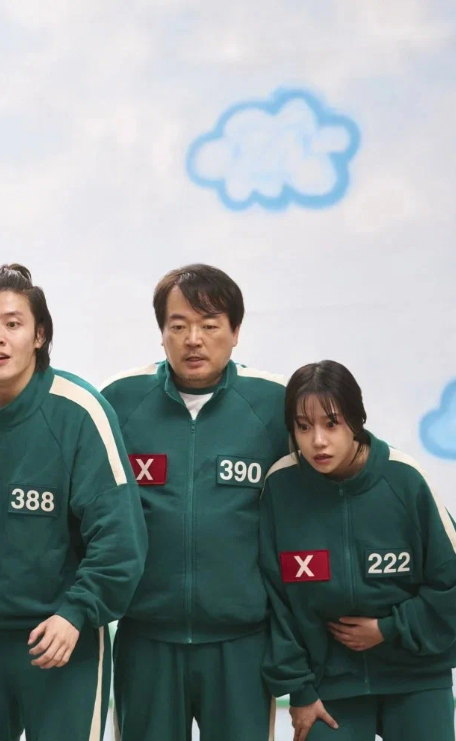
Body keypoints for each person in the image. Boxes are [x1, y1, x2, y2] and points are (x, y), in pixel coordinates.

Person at [0, 263, 145, 741]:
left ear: (39, 335)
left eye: (13, 323)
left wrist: (76, 612)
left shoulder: (79, 412)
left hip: (62, 637)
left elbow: (120, 538)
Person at [101, 263, 287, 741]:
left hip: (242, 643)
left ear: (236, 332)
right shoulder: (118, 401)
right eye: (178, 326)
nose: (193, 340)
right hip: (146, 638)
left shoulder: (275, 404)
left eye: (209, 326)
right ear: (162, 332)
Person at [261, 360, 456, 741]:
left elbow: (455, 582)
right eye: (303, 426)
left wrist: (388, 629)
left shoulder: (404, 479)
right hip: (328, 687)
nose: (318, 441)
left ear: (356, 421)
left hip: (416, 677)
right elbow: (275, 600)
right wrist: (300, 689)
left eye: (331, 423)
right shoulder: (280, 487)